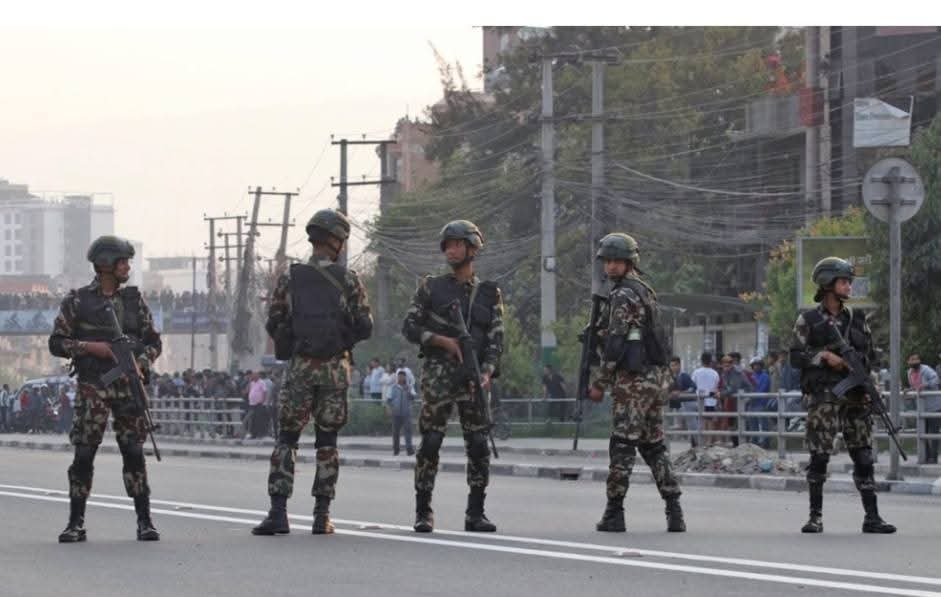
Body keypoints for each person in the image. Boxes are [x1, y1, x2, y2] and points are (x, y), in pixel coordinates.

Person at [252, 209, 373, 536]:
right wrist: (339, 342)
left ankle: (278, 513)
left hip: (301, 369)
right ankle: (322, 516)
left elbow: (274, 321)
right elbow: (365, 325)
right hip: (334, 371)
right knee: (327, 442)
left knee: (287, 439)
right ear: (337, 241)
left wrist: (294, 344)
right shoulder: (348, 280)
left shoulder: (291, 278)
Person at [49, 235, 163, 542]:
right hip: (94, 385)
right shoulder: (78, 301)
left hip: (128, 384)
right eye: (122, 262)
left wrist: (140, 362)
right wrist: (89, 347)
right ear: (105, 264)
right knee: (84, 453)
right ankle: (75, 522)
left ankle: (144, 520)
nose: (127, 267)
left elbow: (154, 342)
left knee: (134, 452)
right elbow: (56, 343)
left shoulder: (134, 301)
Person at [402, 220, 504, 533]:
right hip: (439, 373)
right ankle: (423, 511)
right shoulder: (431, 287)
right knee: (431, 441)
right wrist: (440, 341)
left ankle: (476, 512)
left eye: (457, 244)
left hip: (473, 376)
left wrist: (487, 371)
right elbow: (410, 326)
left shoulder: (489, 293)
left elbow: (496, 338)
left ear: (472, 249)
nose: (451, 250)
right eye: (447, 245)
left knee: (478, 444)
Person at [585, 233, 685, 533]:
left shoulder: (622, 295)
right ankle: (674, 510)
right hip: (654, 379)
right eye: (607, 261)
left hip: (633, 382)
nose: (611, 266)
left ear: (630, 262)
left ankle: (614, 512)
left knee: (623, 445)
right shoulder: (644, 290)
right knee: (654, 446)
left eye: (617, 261)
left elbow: (616, 342)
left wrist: (600, 382)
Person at [790, 257, 895, 534]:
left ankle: (872, 517)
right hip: (825, 397)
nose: (849, 286)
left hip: (856, 396)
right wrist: (824, 356)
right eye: (844, 281)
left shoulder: (858, 319)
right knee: (820, 457)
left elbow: (869, 358)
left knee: (864, 457)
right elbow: (795, 357)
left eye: (849, 281)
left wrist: (871, 388)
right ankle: (815, 517)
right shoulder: (808, 320)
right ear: (828, 283)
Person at [907, 353, 941, 463]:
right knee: (922, 433)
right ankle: (925, 456)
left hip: (934, 406)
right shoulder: (909, 373)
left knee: (933, 433)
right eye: (912, 363)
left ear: (919, 362)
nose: (914, 365)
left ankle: (933, 457)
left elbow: (936, 380)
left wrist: (925, 385)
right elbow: (914, 387)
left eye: (915, 363)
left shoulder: (926, 370)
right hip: (921, 407)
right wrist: (909, 390)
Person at [689, 352, 720, 447]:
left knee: (700, 421)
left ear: (701, 361)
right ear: (711, 361)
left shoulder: (696, 372)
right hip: (711, 401)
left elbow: (692, 385)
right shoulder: (715, 373)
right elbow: (716, 386)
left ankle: (701, 441)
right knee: (710, 422)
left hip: (699, 400)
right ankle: (709, 442)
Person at [386, 370, 415, 456]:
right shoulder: (393, 387)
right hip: (396, 413)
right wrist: (389, 408)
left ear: (405, 377)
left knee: (408, 431)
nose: (401, 378)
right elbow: (388, 399)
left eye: (403, 376)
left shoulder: (409, 387)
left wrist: (408, 391)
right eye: (399, 376)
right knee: (395, 432)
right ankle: (396, 449)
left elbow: (413, 398)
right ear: (397, 377)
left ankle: (409, 449)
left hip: (406, 413)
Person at [746, 356, 772, 448]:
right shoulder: (750, 376)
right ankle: (754, 443)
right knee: (752, 425)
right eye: (755, 365)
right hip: (751, 405)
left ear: (761, 366)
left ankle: (765, 443)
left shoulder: (765, 377)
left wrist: (751, 396)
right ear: (752, 366)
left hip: (761, 404)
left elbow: (763, 389)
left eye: (758, 365)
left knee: (764, 425)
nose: (756, 367)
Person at [667, 357, 695, 431]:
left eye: (675, 365)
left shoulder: (684, 376)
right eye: (671, 365)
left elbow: (693, 388)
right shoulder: (670, 377)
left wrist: (681, 393)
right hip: (676, 405)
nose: (673, 367)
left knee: (690, 425)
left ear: (679, 365)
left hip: (687, 404)